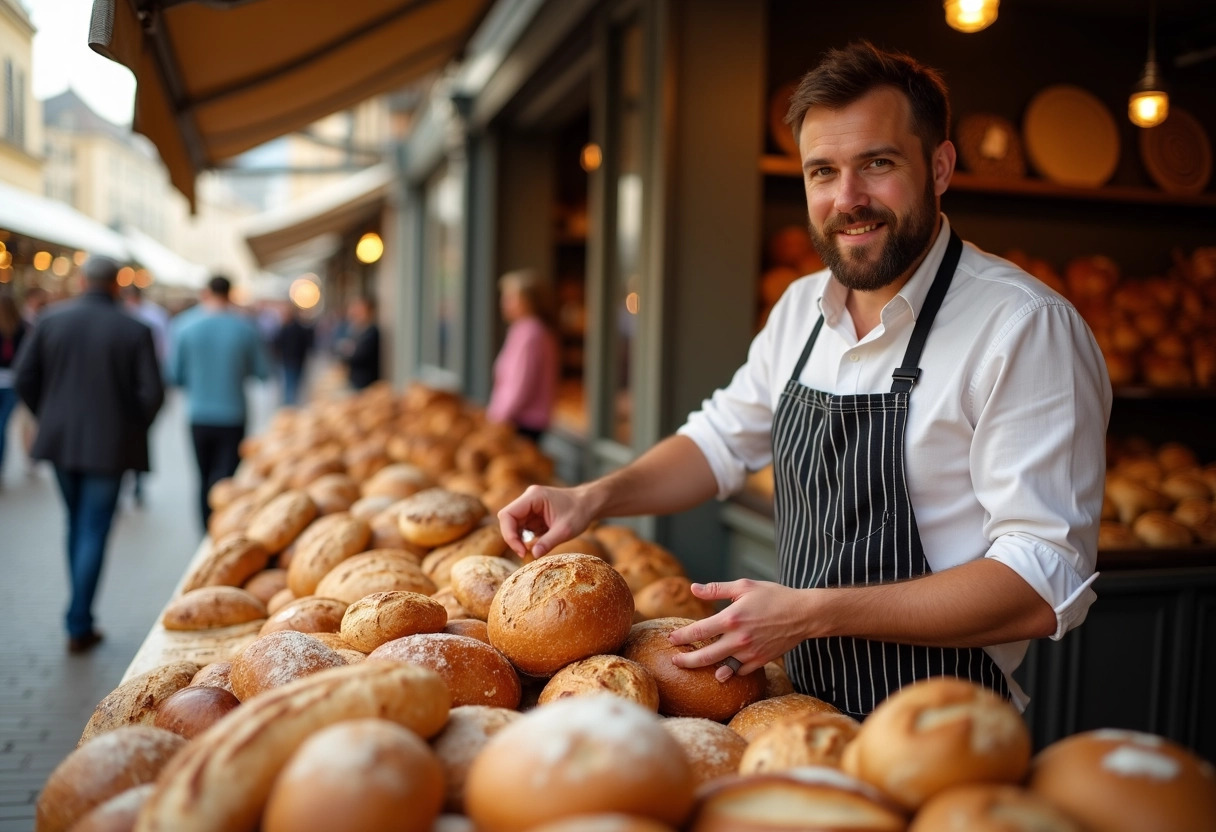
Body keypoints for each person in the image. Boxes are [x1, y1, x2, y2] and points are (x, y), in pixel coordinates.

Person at [497, 42, 1112, 718]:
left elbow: (1042, 578)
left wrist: (812, 614)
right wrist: (593, 497)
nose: (847, 199)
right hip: (801, 710)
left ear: (939, 168)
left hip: (941, 733)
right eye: (823, 171)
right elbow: (720, 441)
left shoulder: (1024, 328)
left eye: (877, 164)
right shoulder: (801, 309)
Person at [13, 256, 164, 652]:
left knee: (76, 523)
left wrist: (48, 414)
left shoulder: (50, 320)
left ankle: (78, 616)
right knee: (93, 527)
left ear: (81, 281)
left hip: (61, 440)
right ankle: (79, 620)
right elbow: (153, 393)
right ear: (117, 284)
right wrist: (129, 427)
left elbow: (24, 377)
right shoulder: (135, 328)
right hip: (111, 445)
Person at [168, 275, 270, 531]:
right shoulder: (245, 327)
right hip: (233, 413)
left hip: (199, 414)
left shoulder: (184, 326)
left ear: (206, 292)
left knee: (203, 478)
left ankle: (206, 531)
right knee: (228, 480)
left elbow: (175, 375)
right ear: (230, 293)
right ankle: (225, 528)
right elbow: (262, 372)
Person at [486, 270, 559, 443]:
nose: (504, 303)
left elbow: (522, 383)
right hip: (519, 419)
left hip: (522, 421)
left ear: (529, 301)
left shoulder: (531, 333)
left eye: (511, 298)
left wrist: (499, 417)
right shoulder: (525, 330)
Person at [121, 284, 171, 505]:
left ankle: (136, 483)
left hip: (140, 381)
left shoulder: (152, 316)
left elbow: (163, 349)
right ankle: (130, 483)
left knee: (134, 436)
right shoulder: (142, 317)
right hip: (133, 383)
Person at [0, 292, 27, 484]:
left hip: (10, 382)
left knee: (1, 426)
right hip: (12, 382)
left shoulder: (21, 328)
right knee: (1, 426)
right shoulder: (23, 328)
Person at [272, 304, 314, 406]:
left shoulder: (286, 328)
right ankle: (290, 405)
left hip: (290, 359)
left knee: (289, 384)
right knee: (293, 383)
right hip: (296, 359)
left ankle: (289, 406)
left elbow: (277, 343)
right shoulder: (299, 327)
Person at [335, 296, 381, 390]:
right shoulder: (357, 329)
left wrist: (348, 349)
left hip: (366, 381)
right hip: (355, 378)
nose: (357, 314)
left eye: (361, 311)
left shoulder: (372, 332)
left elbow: (358, 355)